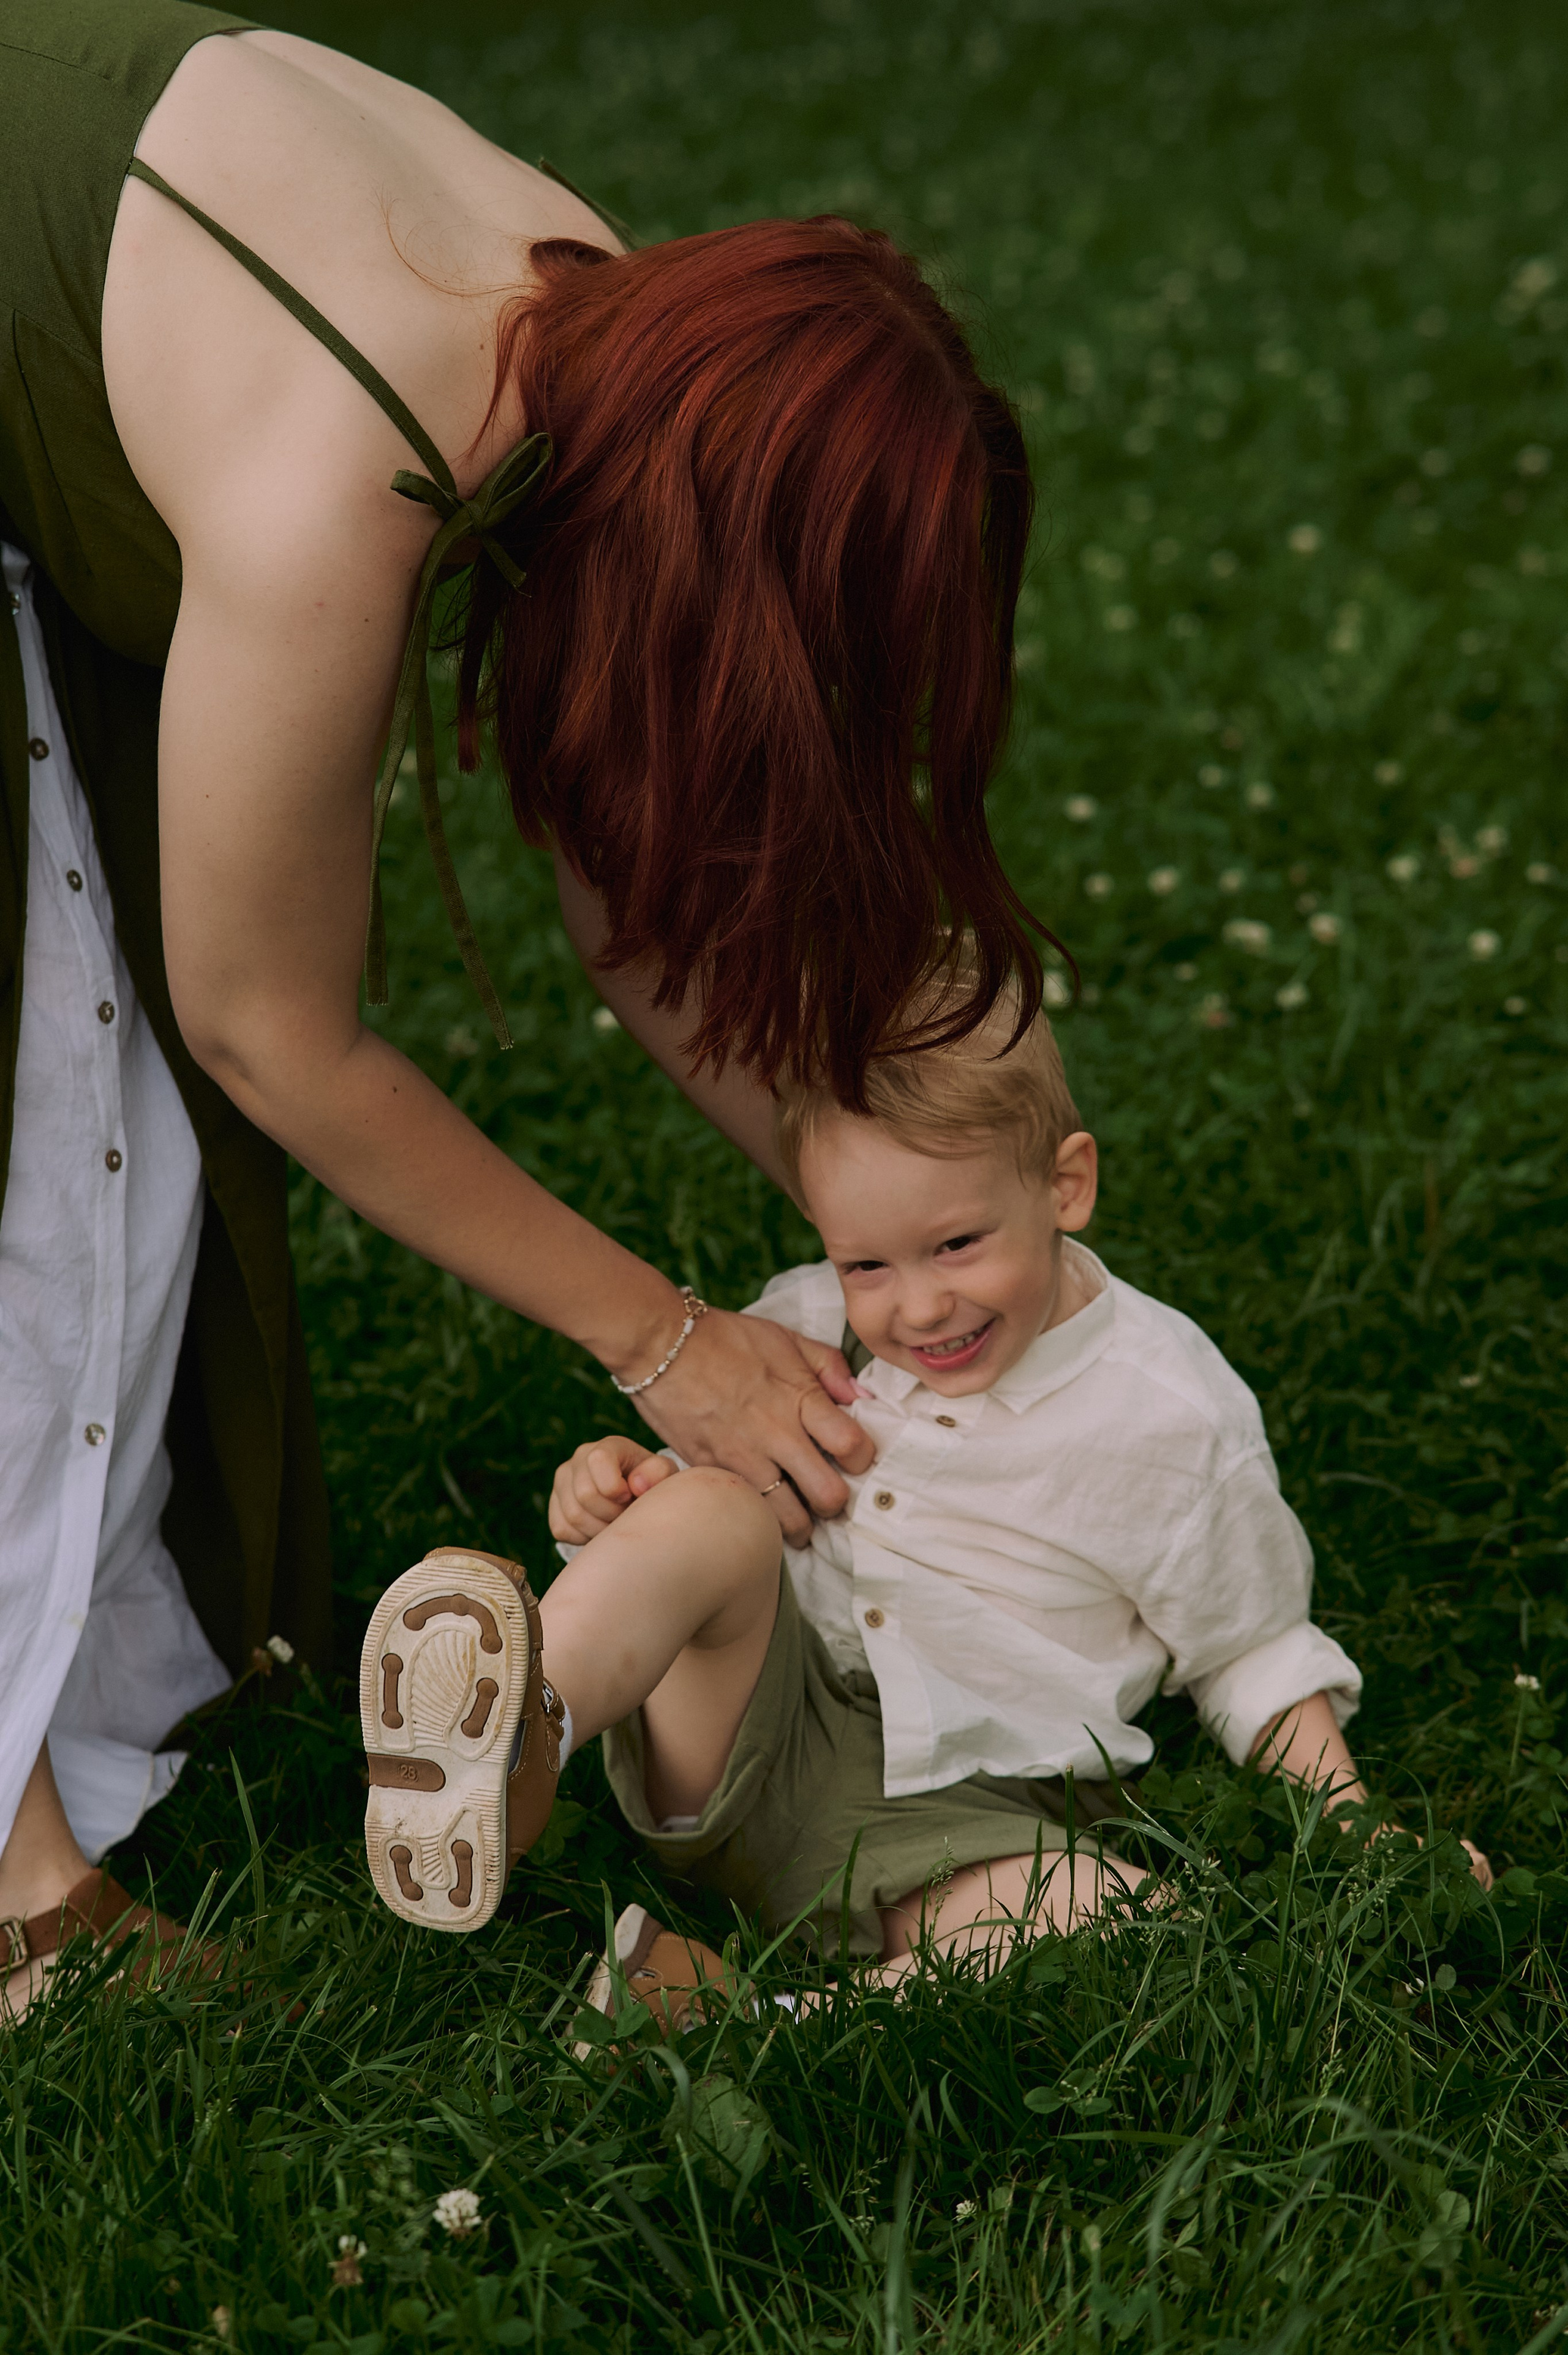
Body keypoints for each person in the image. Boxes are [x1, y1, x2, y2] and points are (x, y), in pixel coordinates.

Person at [0, 1, 1043, 2004]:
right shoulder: (343, 470)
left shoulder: (617, 330)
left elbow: (627, 889)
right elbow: (268, 1027)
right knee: (54, 1100)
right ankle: (18, 1898)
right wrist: (665, 1340)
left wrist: (917, 1208)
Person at [358, 986, 1494, 2016]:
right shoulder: (797, 1332)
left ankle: (740, 2023)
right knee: (710, 1513)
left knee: (1126, 1921)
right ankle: (521, 1726)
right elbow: (694, 1532)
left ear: (1067, 1184)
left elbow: (1250, 1649)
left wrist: (1358, 1826)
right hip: (752, 1736)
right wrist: (609, 1492)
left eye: (957, 1244)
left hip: (968, 1822)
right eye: (867, 1265)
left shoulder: (1170, 1416)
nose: (915, 1308)